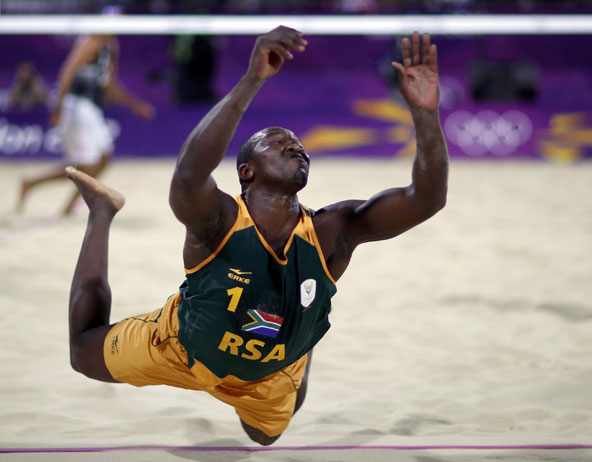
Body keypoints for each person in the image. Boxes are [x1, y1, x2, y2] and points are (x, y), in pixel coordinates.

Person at [65, 26, 448, 445]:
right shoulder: (219, 218)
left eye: (300, 146)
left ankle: (301, 342)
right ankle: (101, 212)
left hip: (270, 374)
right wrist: (251, 81)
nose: (296, 147)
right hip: (178, 346)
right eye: (279, 142)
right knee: (83, 354)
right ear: (246, 171)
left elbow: (425, 200)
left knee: (263, 436)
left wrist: (425, 116)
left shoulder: (332, 229)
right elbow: (190, 173)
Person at [16, 34, 155, 215]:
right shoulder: (91, 42)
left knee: (103, 159)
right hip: (77, 106)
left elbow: (110, 85)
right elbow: (67, 72)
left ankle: (37, 187)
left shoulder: (111, 46)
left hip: (92, 108)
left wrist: (134, 105)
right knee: (88, 166)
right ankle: (44, 192)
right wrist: (58, 108)